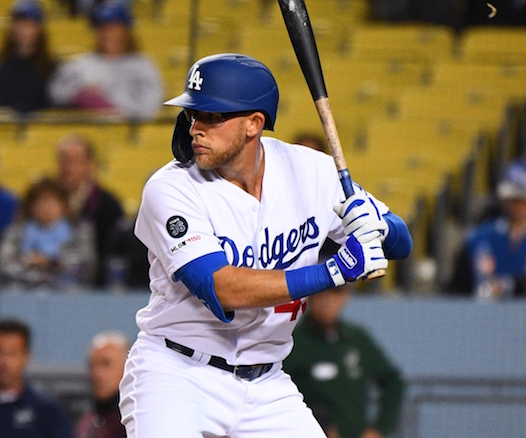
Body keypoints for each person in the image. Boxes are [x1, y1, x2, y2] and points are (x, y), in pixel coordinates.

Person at [118, 53, 412, 437]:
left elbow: (401, 241)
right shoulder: (170, 188)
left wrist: (379, 227)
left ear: (254, 124)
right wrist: (333, 271)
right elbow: (221, 289)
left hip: (266, 383)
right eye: (193, 115)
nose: (195, 128)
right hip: (177, 374)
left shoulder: (312, 170)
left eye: (212, 116)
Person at [283, 284, 404, 438]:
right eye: (321, 293)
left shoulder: (356, 338)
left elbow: (393, 381)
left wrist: (379, 429)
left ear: (345, 297)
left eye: (335, 293)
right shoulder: (293, 341)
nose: (327, 300)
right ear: (310, 298)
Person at [56, 134, 147, 287]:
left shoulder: (107, 204)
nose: (67, 167)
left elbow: (114, 253)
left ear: (90, 164)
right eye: (63, 160)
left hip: (97, 286)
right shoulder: (45, 201)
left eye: (74, 161)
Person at [48, 3, 164, 119]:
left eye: (113, 28)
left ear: (125, 31)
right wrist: (81, 94)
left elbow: (151, 104)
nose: (107, 35)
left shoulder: (142, 65)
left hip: (129, 130)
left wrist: (109, 102)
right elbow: (56, 92)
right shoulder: (81, 64)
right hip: (89, 128)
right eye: (102, 29)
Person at [0, 177, 97, 289]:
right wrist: (30, 263)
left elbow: (86, 267)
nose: (45, 207)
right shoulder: (14, 233)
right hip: (23, 294)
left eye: (50, 201)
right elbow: (3, 266)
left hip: (67, 296)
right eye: (39, 202)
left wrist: (50, 263)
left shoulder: (79, 232)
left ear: (63, 205)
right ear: (30, 207)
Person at [449, 159, 526, 298]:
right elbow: (458, 286)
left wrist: (508, 285)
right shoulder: (480, 237)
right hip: (483, 315)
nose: (517, 205)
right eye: (513, 199)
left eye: (522, 199)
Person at [74, 331, 129, 438]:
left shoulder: (137, 420)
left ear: (127, 367)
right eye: (92, 365)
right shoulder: (86, 422)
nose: (97, 373)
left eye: (106, 364)